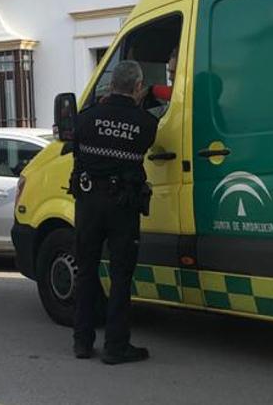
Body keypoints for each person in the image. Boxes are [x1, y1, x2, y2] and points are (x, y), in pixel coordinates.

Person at [70, 60, 157, 364]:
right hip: (123, 206)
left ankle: (82, 342)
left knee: (85, 270)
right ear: (137, 87)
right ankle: (116, 346)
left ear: (109, 85)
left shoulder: (86, 118)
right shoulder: (146, 123)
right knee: (121, 275)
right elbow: (146, 143)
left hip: (89, 202)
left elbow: (76, 147)